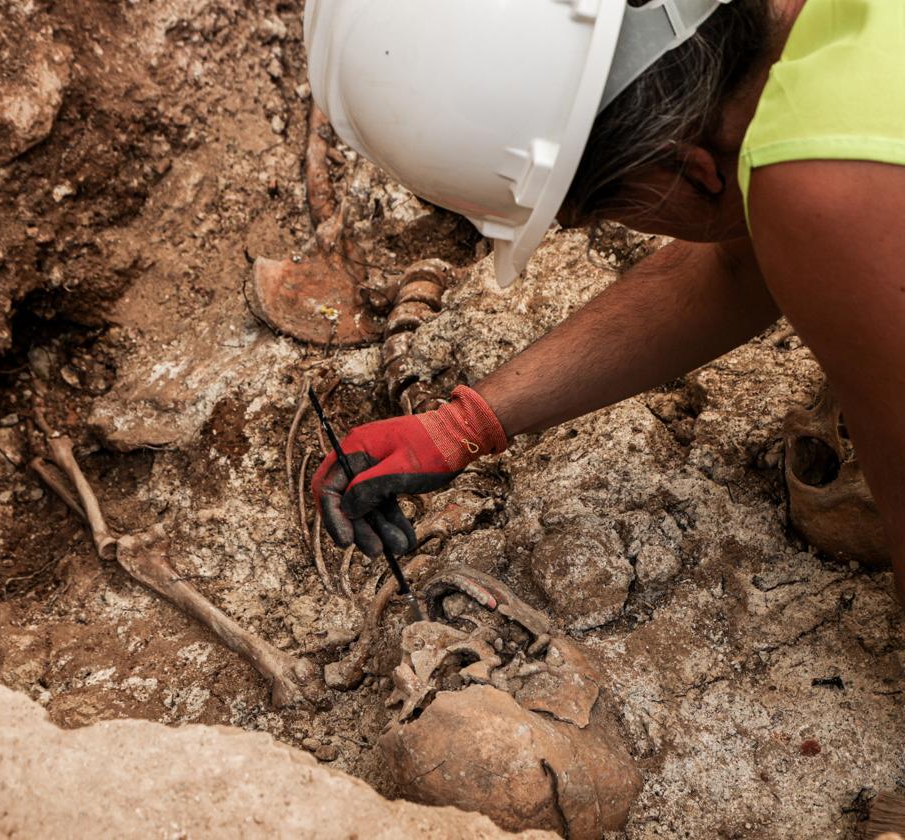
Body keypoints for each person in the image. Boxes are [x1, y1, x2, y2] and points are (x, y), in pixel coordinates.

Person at [306, 0, 905, 607]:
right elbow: (738, 265)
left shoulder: (825, 184)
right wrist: (462, 425)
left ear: (694, 172)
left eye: (601, 210)